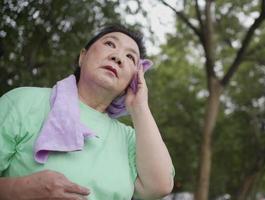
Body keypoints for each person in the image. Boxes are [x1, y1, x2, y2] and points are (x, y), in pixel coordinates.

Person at [0, 24, 174, 199]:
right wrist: (19, 188)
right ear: (82, 57)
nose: (118, 57)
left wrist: (140, 107)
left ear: (132, 80)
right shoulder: (24, 102)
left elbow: (159, 186)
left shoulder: (129, 140)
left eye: (130, 57)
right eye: (110, 44)